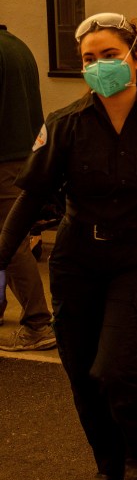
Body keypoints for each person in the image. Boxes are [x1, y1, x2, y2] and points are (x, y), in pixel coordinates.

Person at [0, 13, 137, 480]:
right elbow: (29, 198)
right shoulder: (64, 124)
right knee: (80, 371)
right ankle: (107, 464)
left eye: (110, 55)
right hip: (76, 258)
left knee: (114, 367)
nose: (99, 66)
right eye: (89, 59)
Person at [0, 24, 55, 351]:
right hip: (24, 155)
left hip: (2, 159)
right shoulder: (18, 45)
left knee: (12, 240)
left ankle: (37, 322)